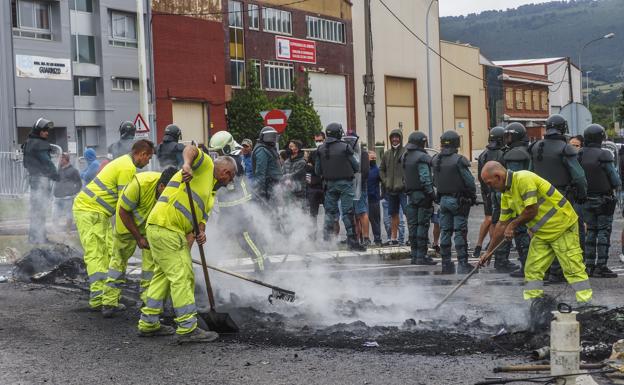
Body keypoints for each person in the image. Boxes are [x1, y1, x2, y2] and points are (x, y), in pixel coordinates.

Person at [138, 149, 236, 342]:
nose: (230, 182)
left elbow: (199, 222)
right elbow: (191, 149)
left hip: (163, 229)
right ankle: (187, 328)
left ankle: (148, 323)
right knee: (182, 276)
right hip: (166, 226)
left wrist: (200, 232)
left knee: (163, 277)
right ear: (226, 172)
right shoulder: (206, 165)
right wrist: (187, 165)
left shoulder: (211, 192)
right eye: (231, 177)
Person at [479, 161, 592, 304]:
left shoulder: (523, 179)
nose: (490, 188)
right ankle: (534, 305)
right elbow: (501, 225)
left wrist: (512, 225)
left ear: (498, 176)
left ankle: (585, 305)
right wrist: (489, 252)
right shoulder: (506, 195)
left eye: (489, 183)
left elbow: (532, 210)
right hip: (543, 233)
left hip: (562, 227)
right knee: (532, 269)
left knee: (573, 269)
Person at [73, 140, 154, 310]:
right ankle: (98, 299)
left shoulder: (124, 163)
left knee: (110, 252)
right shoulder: (127, 168)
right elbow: (124, 205)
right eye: (148, 157)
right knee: (96, 254)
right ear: (141, 154)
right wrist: (136, 234)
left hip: (98, 211)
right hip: (89, 210)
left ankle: (110, 296)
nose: (148, 162)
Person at [100, 167, 177, 318]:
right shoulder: (140, 184)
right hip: (126, 225)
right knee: (118, 262)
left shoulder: (172, 190)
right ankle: (109, 302)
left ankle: (148, 303)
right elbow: (123, 212)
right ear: (161, 186)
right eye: (166, 192)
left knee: (151, 267)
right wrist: (138, 237)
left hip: (149, 228)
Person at [529, 114, 587, 282]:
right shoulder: (565, 148)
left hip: (539, 199)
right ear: (563, 129)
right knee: (565, 234)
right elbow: (579, 176)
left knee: (541, 234)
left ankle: (544, 270)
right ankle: (558, 271)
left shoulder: (534, 147)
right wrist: (582, 195)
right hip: (562, 198)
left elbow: (529, 174)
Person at [210, 133, 271, 273]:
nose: (217, 154)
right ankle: (211, 270)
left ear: (226, 147)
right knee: (225, 241)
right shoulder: (232, 158)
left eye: (219, 150)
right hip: (230, 210)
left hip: (239, 210)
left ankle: (264, 270)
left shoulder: (232, 161)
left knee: (249, 242)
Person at [578, 124, 621, 278]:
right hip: (604, 199)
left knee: (590, 231)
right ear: (601, 137)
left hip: (585, 199)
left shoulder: (580, 154)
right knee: (604, 231)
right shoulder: (604, 154)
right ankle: (601, 266)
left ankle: (588, 266)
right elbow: (614, 179)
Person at [432, 130, 477, 274]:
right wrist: (472, 196)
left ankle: (446, 263)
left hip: (443, 200)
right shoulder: (458, 160)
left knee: (445, 231)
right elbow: (469, 182)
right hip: (458, 200)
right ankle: (463, 263)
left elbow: (434, 181)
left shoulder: (436, 159)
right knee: (459, 231)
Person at [315, 122, 365, 251]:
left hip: (329, 184)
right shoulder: (345, 147)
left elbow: (317, 170)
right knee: (347, 212)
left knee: (329, 213)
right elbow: (356, 166)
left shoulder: (320, 149)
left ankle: (326, 241)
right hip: (345, 184)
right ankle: (352, 241)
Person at [494, 123, 531, 275]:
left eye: (510, 136)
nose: (507, 139)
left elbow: (513, 180)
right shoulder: (517, 151)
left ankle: (525, 266)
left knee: (520, 233)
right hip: (518, 198)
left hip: (518, 199)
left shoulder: (516, 154)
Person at [22, 118, 59, 244]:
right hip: (41, 180)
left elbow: (26, 164)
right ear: (39, 131)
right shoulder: (40, 144)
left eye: (47, 131)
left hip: (33, 179)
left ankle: (35, 237)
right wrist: (55, 174)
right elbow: (47, 162)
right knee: (40, 209)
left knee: (36, 210)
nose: (47, 133)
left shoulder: (29, 142)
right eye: (44, 131)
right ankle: (39, 238)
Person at [402, 132, 436, 265]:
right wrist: (432, 194)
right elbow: (425, 178)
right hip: (422, 195)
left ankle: (415, 255)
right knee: (422, 225)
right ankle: (421, 256)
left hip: (410, 195)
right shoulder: (422, 157)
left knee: (413, 226)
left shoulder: (405, 156)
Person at [475, 127, 505, 258]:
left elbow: (480, 176)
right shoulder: (503, 153)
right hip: (499, 190)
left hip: (486, 191)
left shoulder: (483, 154)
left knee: (490, 218)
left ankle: (479, 244)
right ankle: (494, 246)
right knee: (500, 220)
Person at [380, 128, 407, 245]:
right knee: (393, 214)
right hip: (391, 190)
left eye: (397, 137)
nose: (395, 139)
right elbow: (381, 169)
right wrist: (385, 181)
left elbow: (409, 168)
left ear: (400, 138)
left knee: (408, 213)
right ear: (390, 139)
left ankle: (411, 239)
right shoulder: (387, 154)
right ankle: (394, 238)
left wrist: (404, 182)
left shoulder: (406, 152)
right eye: (393, 137)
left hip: (403, 190)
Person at [53, 153, 82, 230]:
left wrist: (73, 192)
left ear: (66, 159)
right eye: (60, 159)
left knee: (69, 214)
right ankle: (55, 230)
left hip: (68, 197)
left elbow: (79, 183)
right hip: (57, 197)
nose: (60, 160)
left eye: (62, 159)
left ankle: (68, 230)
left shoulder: (73, 171)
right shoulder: (59, 170)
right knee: (54, 214)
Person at [252, 126, 282, 200]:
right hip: (268, 186)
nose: (271, 139)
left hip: (274, 185)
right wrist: (260, 191)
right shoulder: (262, 150)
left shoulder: (269, 148)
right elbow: (260, 172)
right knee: (269, 210)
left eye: (273, 136)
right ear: (262, 136)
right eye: (269, 137)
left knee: (274, 209)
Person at [306, 132, 326, 237]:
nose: (318, 142)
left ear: (324, 139)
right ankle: (312, 236)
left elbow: (325, 170)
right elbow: (308, 169)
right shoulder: (313, 154)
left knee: (330, 213)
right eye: (316, 141)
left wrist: (314, 168)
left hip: (325, 187)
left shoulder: (328, 152)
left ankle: (328, 237)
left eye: (320, 140)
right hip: (314, 187)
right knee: (313, 214)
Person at [352, 142, 370, 245]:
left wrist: (359, 182)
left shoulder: (363, 154)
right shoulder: (347, 152)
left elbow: (365, 171)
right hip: (350, 186)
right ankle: (357, 238)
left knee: (362, 212)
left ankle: (366, 237)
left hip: (360, 185)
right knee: (354, 214)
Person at [282, 139, 307, 204]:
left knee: (299, 211)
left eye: (291, 147)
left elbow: (296, 175)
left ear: (297, 149)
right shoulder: (286, 161)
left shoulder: (302, 162)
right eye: (288, 147)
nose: (289, 148)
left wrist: (286, 178)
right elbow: (281, 173)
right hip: (287, 191)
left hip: (299, 192)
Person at [367, 150, 382, 246]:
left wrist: (383, 195)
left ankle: (377, 240)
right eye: (371, 158)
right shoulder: (364, 169)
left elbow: (383, 181)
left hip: (374, 199)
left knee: (375, 221)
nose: (373, 160)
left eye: (374, 158)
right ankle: (365, 239)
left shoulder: (378, 170)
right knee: (363, 221)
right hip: (364, 199)